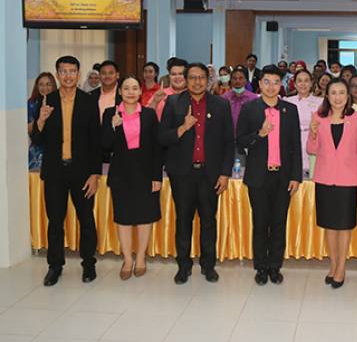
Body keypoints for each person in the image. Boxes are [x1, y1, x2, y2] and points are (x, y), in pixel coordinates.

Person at [159, 63, 235, 284]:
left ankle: (208, 266)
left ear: (207, 79)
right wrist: (183, 128)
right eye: (192, 77)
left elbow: (228, 142)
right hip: (182, 174)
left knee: (208, 221)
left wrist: (225, 173)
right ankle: (183, 266)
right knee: (183, 220)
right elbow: (162, 137)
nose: (197, 82)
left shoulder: (221, 104)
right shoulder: (173, 103)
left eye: (201, 77)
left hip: (210, 175)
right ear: (185, 80)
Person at [30, 56, 101, 286]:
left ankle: (88, 264)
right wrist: (41, 121)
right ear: (57, 74)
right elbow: (37, 139)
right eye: (63, 71)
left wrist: (95, 174)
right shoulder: (47, 101)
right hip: (55, 173)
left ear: (78, 74)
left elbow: (95, 141)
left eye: (72, 71)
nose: (68, 75)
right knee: (55, 221)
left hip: (82, 173)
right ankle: (55, 266)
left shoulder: (88, 101)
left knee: (86, 220)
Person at [236, 65, 302, 285]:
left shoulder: (290, 110)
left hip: (283, 177)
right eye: (267, 82)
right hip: (258, 177)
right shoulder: (250, 108)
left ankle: (275, 266)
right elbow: (241, 141)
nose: (271, 86)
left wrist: (295, 176)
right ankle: (261, 267)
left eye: (276, 82)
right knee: (260, 223)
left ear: (281, 84)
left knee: (279, 223)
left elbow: (295, 145)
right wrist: (260, 134)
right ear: (259, 84)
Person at [307, 78, 357, 288]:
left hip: (348, 181)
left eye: (342, 92)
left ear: (348, 95)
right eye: (333, 93)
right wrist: (313, 133)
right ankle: (333, 265)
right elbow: (311, 149)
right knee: (329, 226)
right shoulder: (318, 117)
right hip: (324, 179)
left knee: (344, 226)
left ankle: (341, 268)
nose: (337, 97)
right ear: (327, 95)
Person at [101, 77, 162, 280]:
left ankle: (141, 257)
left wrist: (156, 176)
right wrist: (112, 127)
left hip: (145, 173)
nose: (130, 92)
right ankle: (127, 259)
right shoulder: (110, 113)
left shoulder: (149, 115)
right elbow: (105, 145)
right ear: (120, 91)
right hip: (121, 174)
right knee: (124, 218)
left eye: (135, 88)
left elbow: (156, 148)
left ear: (140, 91)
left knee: (145, 217)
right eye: (126, 88)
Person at [285, 69, 323, 177]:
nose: (303, 84)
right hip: (292, 141)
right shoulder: (287, 101)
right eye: (299, 81)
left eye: (306, 81)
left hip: (313, 141)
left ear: (311, 83)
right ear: (295, 84)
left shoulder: (320, 102)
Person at [27, 72, 57, 171]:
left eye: (48, 84)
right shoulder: (31, 103)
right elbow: (29, 129)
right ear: (37, 86)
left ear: (53, 86)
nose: (44, 87)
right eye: (41, 84)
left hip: (55, 150)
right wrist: (41, 119)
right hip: (36, 152)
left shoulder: (60, 102)